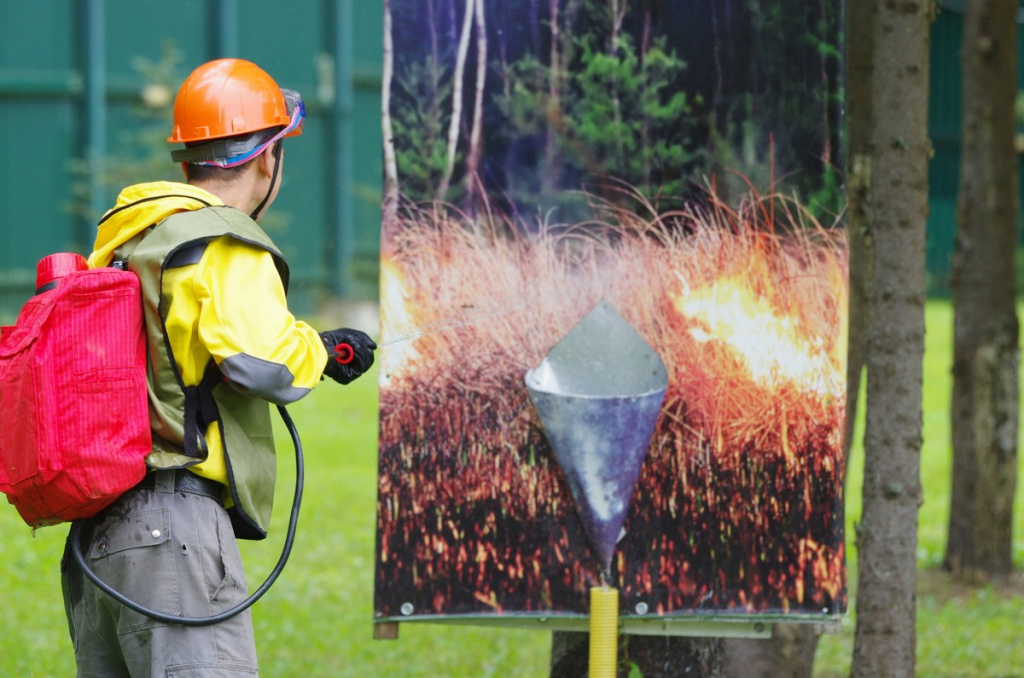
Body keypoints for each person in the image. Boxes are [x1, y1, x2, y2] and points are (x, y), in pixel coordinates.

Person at [60, 58, 375, 677]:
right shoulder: (224, 242)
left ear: (187, 161)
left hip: (98, 541)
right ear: (267, 157)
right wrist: (325, 350)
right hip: (169, 532)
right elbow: (261, 364)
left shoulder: (133, 240)